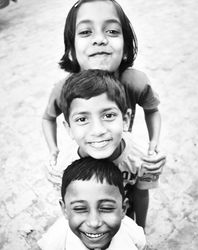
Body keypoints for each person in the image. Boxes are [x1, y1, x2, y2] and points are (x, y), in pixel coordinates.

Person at [42, 0, 165, 228]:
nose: (99, 39)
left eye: (112, 31)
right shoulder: (64, 89)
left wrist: (154, 144)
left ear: (126, 45)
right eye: (86, 31)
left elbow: (153, 110)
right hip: (87, 157)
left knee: (137, 190)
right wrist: (53, 151)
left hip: (121, 149)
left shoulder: (134, 82)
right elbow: (48, 118)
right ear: (71, 49)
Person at [47, 69, 165, 229]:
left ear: (125, 119)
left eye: (108, 115)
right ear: (69, 129)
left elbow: (142, 194)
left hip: (126, 216)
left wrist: (140, 229)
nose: (98, 130)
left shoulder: (144, 159)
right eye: (82, 119)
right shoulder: (63, 166)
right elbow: (70, 206)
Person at [38, 157, 147, 250]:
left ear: (123, 208)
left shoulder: (131, 232)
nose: (94, 223)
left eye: (106, 208)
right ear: (65, 209)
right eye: (80, 209)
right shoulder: (56, 239)